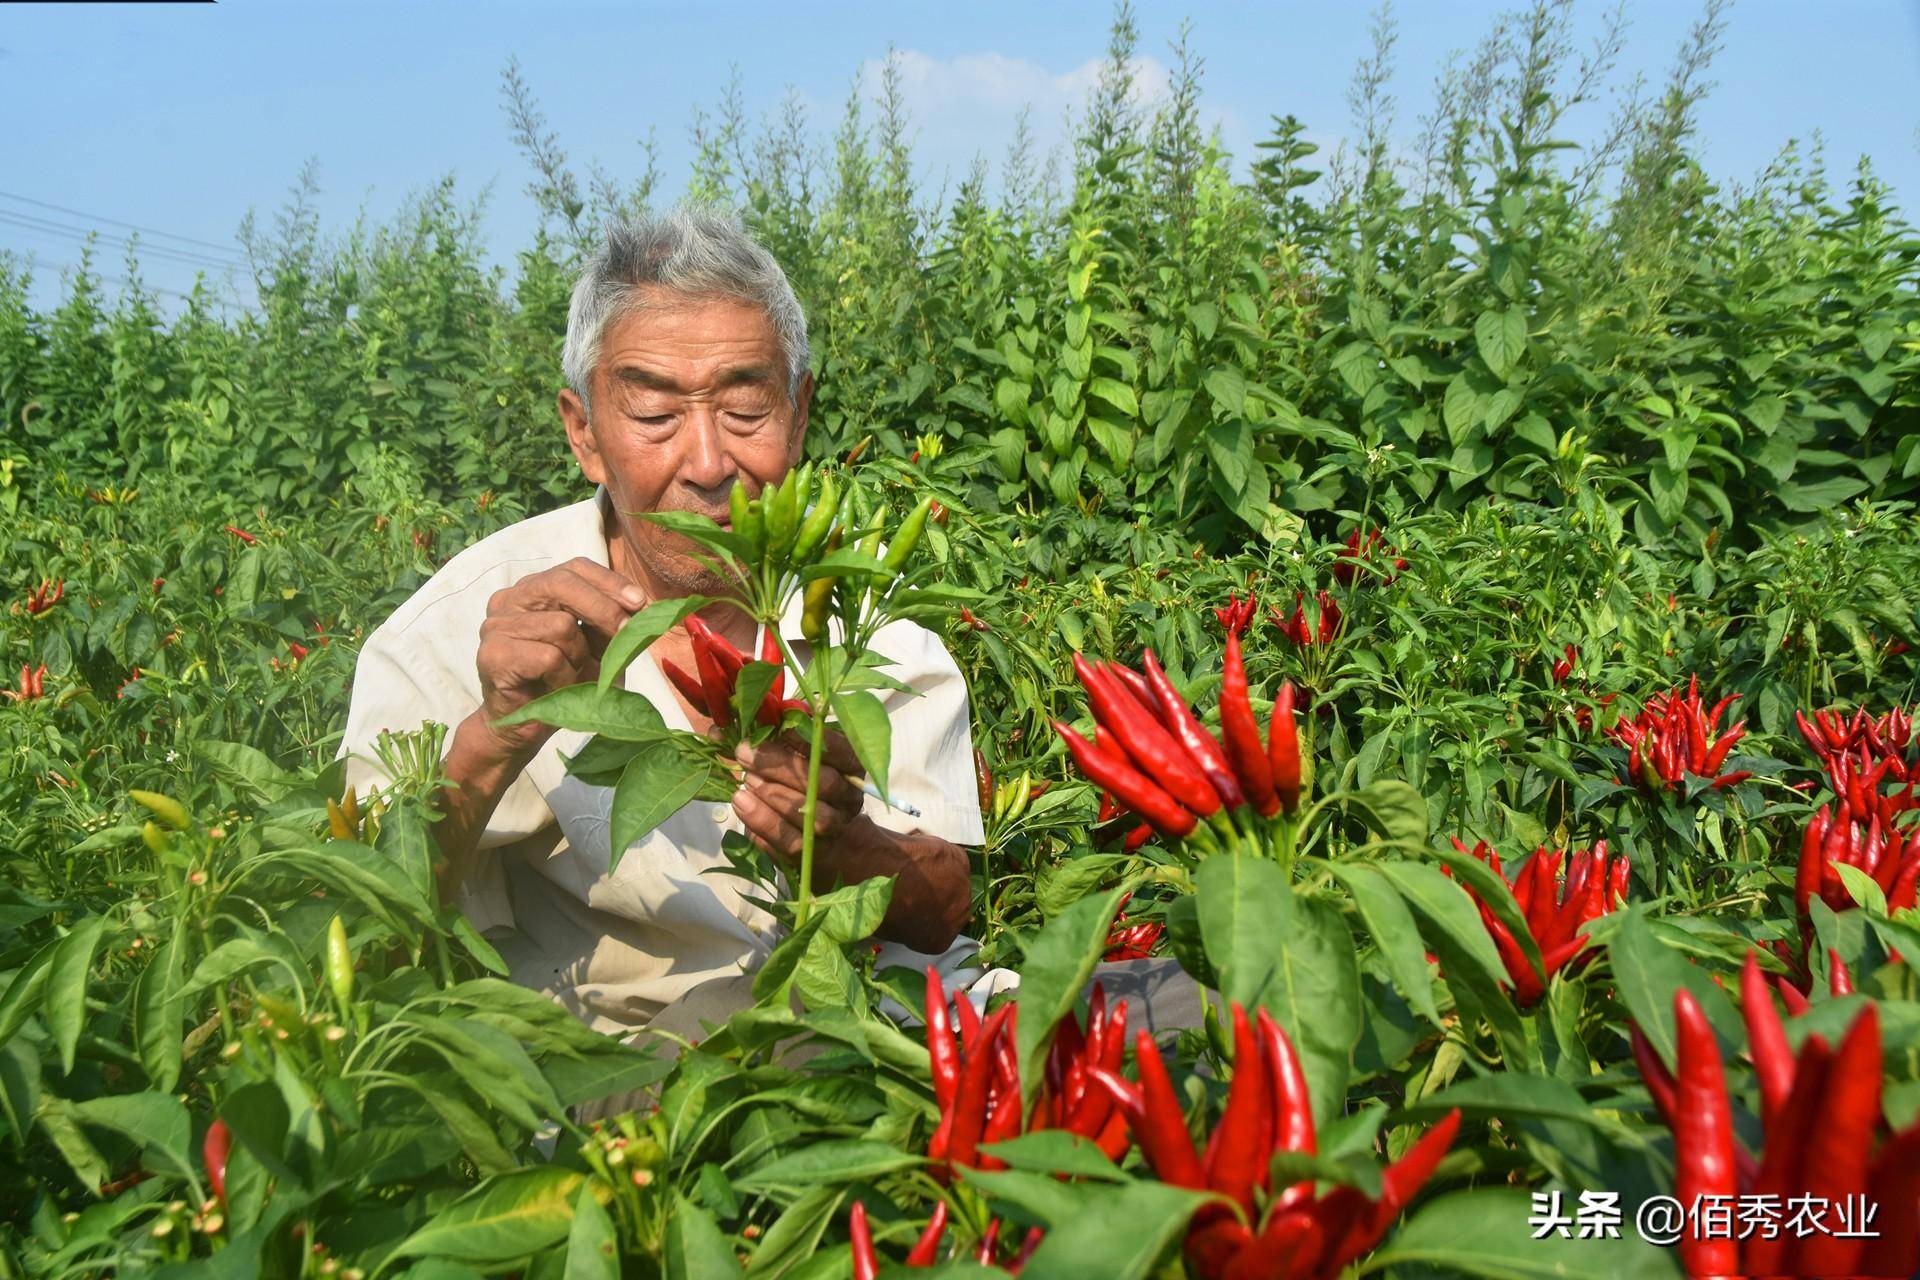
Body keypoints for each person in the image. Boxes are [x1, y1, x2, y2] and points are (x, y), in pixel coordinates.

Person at [340, 205, 1199, 1074]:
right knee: (779, 1034)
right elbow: (368, 935)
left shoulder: (861, 619)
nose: (709, 462)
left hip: (900, 1014)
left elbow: (944, 907)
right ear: (583, 432)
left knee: (1193, 1011)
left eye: (746, 408)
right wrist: (496, 735)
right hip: (648, 1067)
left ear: (800, 409)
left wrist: (841, 843)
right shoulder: (468, 627)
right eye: (654, 414)